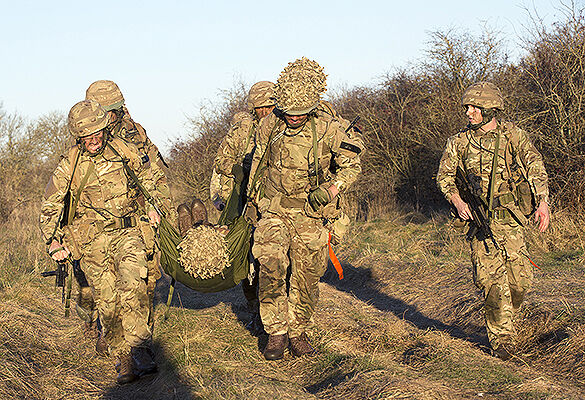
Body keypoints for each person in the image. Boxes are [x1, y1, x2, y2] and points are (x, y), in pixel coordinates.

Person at [40, 99, 166, 383]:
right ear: (77, 135)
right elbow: (50, 204)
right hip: (91, 242)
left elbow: (149, 180)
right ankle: (122, 356)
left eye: (97, 133)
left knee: (133, 285)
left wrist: (153, 207)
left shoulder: (123, 150)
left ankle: (140, 349)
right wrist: (53, 241)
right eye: (86, 136)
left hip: (127, 232)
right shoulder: (70, 163)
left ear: (104, 129)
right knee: (107, 301)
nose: (93, 140)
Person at [247, 57, 363, 360]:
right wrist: (250, 202)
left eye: (300, 114)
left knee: (307, 276)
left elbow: (352, 166)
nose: (294, 118)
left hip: (311, 214)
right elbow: (258, 165)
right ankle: (276, 332)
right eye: (289, 113)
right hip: (273, 210)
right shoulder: (269, 125)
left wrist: (332, 188)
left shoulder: (330, 128)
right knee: (270, 265)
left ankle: (298, 331)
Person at [437, 81, 550, 360]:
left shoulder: (513, 135)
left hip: (511, 221)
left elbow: (535, 165)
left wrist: (543, 201)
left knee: (519, 283)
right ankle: (502, 339)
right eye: (467, 107)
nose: (469, 112)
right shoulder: (459, 142)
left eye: (475, 107)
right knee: (492, 281)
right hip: (480, 222)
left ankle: (507, 318)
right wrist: (457, 200)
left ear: (490, 109)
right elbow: (444, 177)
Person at [84, 80, 172, 349]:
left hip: (137, 218)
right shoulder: (86, 135)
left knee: (143, 280)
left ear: (118, 110)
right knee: (102, 282)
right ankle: (108, 329)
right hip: (97, 224)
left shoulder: (135, 135)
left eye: (109, 111)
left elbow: (155, 176)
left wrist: (160, 212)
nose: (104, 118)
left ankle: (138, 342)